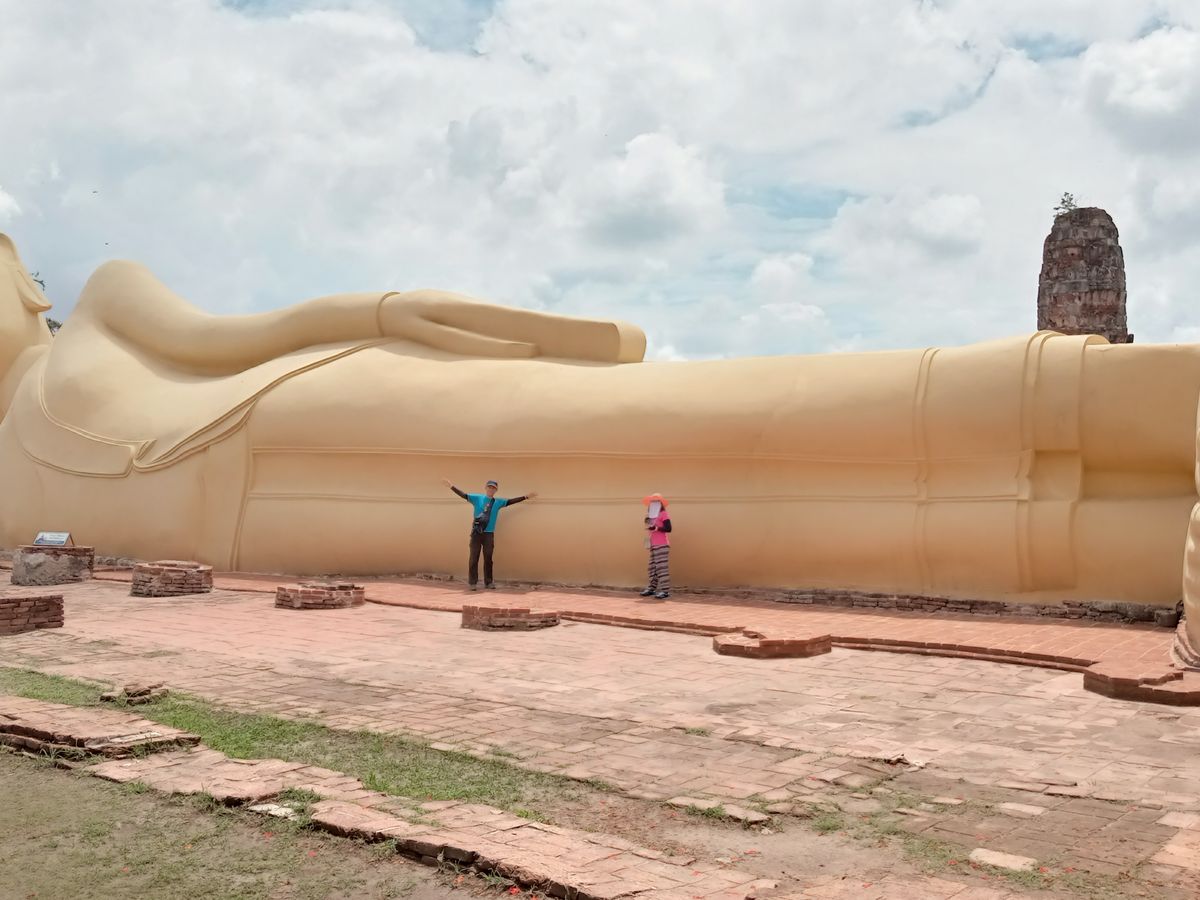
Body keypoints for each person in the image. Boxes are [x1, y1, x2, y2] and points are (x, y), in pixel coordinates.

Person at [442, 478, 537, 590]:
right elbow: (463, 495)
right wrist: (451, 486)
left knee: (488, 559)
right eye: (489, 487)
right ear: (486, 488)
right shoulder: (477, 498)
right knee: (473, 558)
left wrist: (525, 497)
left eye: (493, 488)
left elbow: (510, 501)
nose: (491, 489)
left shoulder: (498, 502)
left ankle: (488, 582)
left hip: (489, 534)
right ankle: (472, 583)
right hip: (476, 533)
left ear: (496, 490)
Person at [641, 493, 672, 599]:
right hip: (653, 545)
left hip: (662, 545)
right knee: (652, 568)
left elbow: (669, 528)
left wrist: (656, 528)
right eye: (652, 502)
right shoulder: (650, 516)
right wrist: (648, 522)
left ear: (660, 503)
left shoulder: (664, 514)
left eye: (656, 501)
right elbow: (648, 527)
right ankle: (651, 588)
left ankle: (665, 591)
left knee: (661, 568)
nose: (654, 503)